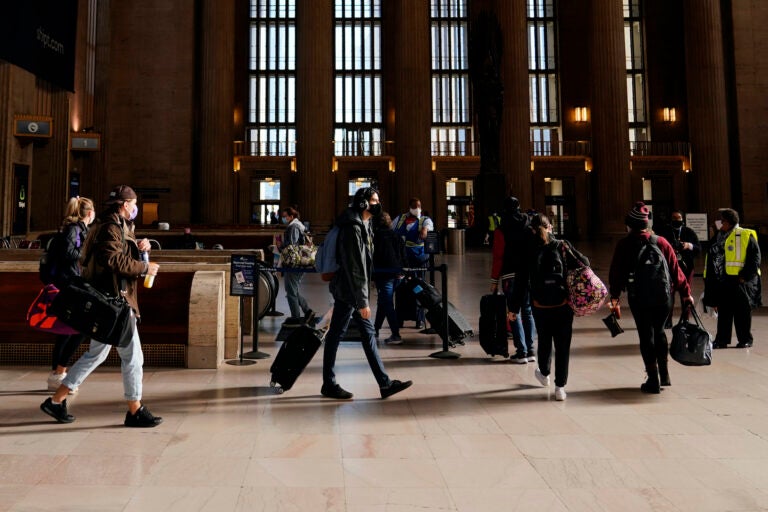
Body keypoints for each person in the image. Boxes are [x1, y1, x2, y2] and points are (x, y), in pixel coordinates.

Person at [40, 185, 162, 427]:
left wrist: (138, 248)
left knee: (96, 354)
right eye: (134, 203)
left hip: (110, 302)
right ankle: (135, 409)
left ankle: (56, 401)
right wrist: (144, 267)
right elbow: (112, 259)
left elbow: (117, 252)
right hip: (115, 302)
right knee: (133, 357)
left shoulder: (116, 225)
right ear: (126, 204)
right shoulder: (110, 227)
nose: (135, 208)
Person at [321, 187, 412, 400]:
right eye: (373, 200)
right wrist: (362, 301)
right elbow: (356, 267)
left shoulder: (365, 223)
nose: (377, 203)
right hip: (348, 292)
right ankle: (330, 383)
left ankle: (383, 383)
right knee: (337, 335)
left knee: (360, 335)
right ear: (362, 203)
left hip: (351, 290)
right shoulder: (353, 227)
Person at [608, 201, 693, 393]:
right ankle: (665, 374)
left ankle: (652, 378)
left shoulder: (624, 244)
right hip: (663, 297)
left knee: (646, 335)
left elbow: (616, 275)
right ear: (647, 224)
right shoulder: (660, 242)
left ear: (629, 224)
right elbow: (675, 270)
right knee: (660, 332)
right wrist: (686, 294)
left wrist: (614, 299)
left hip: (639, 297)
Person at [509, 214, 588, 401]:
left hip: (539, 305)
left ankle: (544, 373)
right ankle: (560, 387)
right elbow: (584, 263)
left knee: (544, 340)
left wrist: (513, 309)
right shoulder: (562, 245)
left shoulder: (528, 250)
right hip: (563, 305)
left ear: (532, 230)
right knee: (563, 345)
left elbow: (519, 283)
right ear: (550, 227)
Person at [46, 196, 97, 392]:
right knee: (77, 330)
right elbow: (69, 254)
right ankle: (59, 373)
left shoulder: (75, 229)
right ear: (89, 213)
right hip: (70, 286)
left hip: (71, 285)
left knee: (67, 331)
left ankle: (57, 374)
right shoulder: (74, 229)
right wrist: (87, 254)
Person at [703, 208, 761, 349]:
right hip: (723, 280)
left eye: (721, 221)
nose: (719, 224)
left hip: (740, 281)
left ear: (728, 222)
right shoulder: (718, 236)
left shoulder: (746, 234)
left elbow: (755, 259)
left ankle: (745, 339)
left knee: (742, 312)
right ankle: (722, 340)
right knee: (724, 312)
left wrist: (744, 277)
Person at [490, 196, 536, 363]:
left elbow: (498, 257)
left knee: (513, 313)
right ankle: (531, 350)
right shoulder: (528, 225)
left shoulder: (501, 229)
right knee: (528, 311)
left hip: (511, 275)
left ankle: (521, 351)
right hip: (528, 274)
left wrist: (494, 280)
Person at [393, 197, 434, 329]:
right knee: (400, 288)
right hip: (402, 259)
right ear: (409, 207)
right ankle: (399, 318)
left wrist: (425, 230)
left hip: (418, 260)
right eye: (415, 206)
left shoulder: (424, 220)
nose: (417, 209)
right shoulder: (400, 219)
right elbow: (390, 229)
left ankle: (419, 318)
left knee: (419, 288)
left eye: (419, 206)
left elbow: (428, 228)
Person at [656, 209, 701, 326]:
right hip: (669, 270)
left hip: (686, 268)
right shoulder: (665, 232)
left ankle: (685, 320)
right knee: (668, 295)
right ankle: (667, 320)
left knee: (685, 295)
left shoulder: (689, 232)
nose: (676, 220)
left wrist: (687, 245)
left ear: (683, 219)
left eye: (679, 218)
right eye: (674, 218)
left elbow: (698, 249)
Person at [372, 211, 408, 344]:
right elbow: (403, 255)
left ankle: (396, 334)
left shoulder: (376, 237)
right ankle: (375, 329)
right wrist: (405, 271)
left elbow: (374, 258)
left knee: (386, 303)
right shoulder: (396, 236)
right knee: (382, 301)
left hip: (384, 274)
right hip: (398, 274)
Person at [279, 206, 313, 323]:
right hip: (299, 262)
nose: (283, 218)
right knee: (292, 289)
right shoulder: (298, 225)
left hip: (294, 262)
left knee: (291, 290)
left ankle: (296, 317)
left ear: (291, 216)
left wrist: (280, 246)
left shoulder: (293, 226)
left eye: (285, 216)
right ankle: (307, 311)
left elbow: (292, 246)